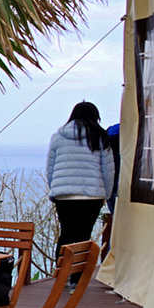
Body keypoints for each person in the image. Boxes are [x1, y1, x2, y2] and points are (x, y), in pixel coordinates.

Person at [46, 101, 116, 284]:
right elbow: (108, 170)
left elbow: (50, 168)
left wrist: (55, 190)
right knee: (83, 236)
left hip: (64, 195)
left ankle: (61, 275)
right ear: (95, 116)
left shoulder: (58, 136)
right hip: (91, 195)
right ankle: (75, 280)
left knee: (66, 234)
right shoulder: (100, 136)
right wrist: (106, 195)